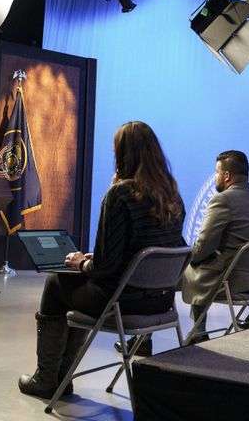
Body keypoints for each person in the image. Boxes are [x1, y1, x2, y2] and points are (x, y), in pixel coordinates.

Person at [18, 121, 186, 399]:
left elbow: (105, 269)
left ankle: (47, 379)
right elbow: (143, 252)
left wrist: (82, 263)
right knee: (75, 282)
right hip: (161, 300)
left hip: (123, 302)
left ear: (124, 154)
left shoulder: (120, 195)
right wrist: (93, 260)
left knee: (57, 282)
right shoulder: (172, 194)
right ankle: (62, 378)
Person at [180, 150, 249, 341]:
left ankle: (198, 332)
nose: (215, 177)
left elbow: (203, 246)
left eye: (216, 172)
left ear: (227, 176)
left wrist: (185, 257)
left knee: (186, 268)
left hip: (231, 282)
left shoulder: (222, 200)